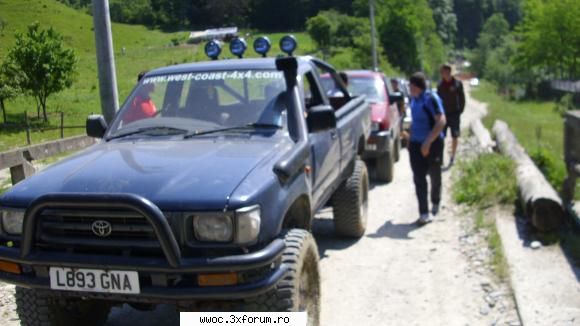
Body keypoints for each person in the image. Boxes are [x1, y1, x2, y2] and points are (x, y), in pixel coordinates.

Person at [408, 72, 446, 225]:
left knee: (435, 174)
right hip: (416, 144)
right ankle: (424, 212)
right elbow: (415, 121)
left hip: (433, 143)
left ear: (416, 86)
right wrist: (410, 139)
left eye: (410, 86)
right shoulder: (414, 100)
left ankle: (435, 201)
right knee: (418, 177)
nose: (409, 88)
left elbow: (441, 121)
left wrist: (428, 142)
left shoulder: (430, 99)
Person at [437, 64, 465, 167]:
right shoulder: (440, 85)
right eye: (441, 72)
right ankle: (441, 158)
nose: (441, 74)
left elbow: (462, 98)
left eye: (443, 72)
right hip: (444, 114)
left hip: (454, 114)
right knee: (441, 136)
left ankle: (452, 156)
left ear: (448, 72)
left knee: (455, 135)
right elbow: (437, 100)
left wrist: (460, 110)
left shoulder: (457, 84)